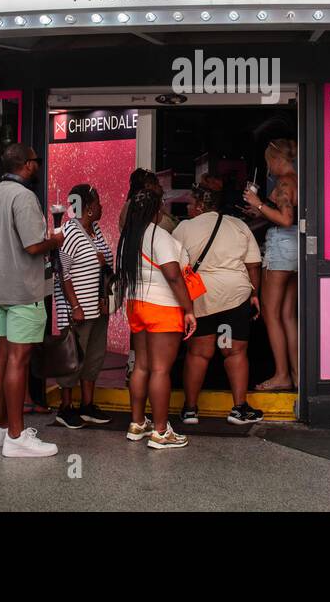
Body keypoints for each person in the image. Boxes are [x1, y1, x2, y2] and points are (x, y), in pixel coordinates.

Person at [0, 142, 63, 458]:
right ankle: (17, 437)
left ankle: (1, 429)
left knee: (3, 358)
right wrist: (55, 240)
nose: (38, 165)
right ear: (27, 165)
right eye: (36, 161)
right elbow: (32, 246)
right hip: (25, 291)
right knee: (19, 361)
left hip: (0, 289)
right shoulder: (24, 197)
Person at [173, 178, 264, 425]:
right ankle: (239, 408)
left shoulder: (184, 229)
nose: (188, 208)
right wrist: (255, 294)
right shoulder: (238, 226)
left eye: (191, 203)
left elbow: (174, 267)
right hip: (235, 296)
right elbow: (254, 264)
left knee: (199, 353)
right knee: (234, 352)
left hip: (201, 296)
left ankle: (190, 409)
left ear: (201, 205)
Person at [116, 183, 196, 449]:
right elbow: (173, 276)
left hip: (137, 305)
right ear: (155, 210)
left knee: (141, 366)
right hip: (161, 307)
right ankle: (161, 432)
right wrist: (189, 309)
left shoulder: (129, 235)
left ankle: (137, 423)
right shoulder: (158, 236)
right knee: (161, 369)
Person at [53, 183, 114, 430]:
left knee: (93, 357)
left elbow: (105, 265)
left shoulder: (95, 231)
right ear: (88, 208)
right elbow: (62, 272)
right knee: (73, 358)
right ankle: (65, 408)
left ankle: (87, 405)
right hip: (79, 310)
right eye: (98, 203)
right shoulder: (70, 231)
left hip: (98, 308)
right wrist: (75, 306)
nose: (101, 207)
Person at [245, 138, 299, 391]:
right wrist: (261, 209)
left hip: (281, 247)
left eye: (269, 162)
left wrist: (257, 204)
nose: (269, 168)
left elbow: (286, 219)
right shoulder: (299, 178)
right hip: (295, 248)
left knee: (271, 313)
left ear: (278, 160)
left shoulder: (285, 181)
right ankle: (297, 374)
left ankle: (281, 375)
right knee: (288, 315)